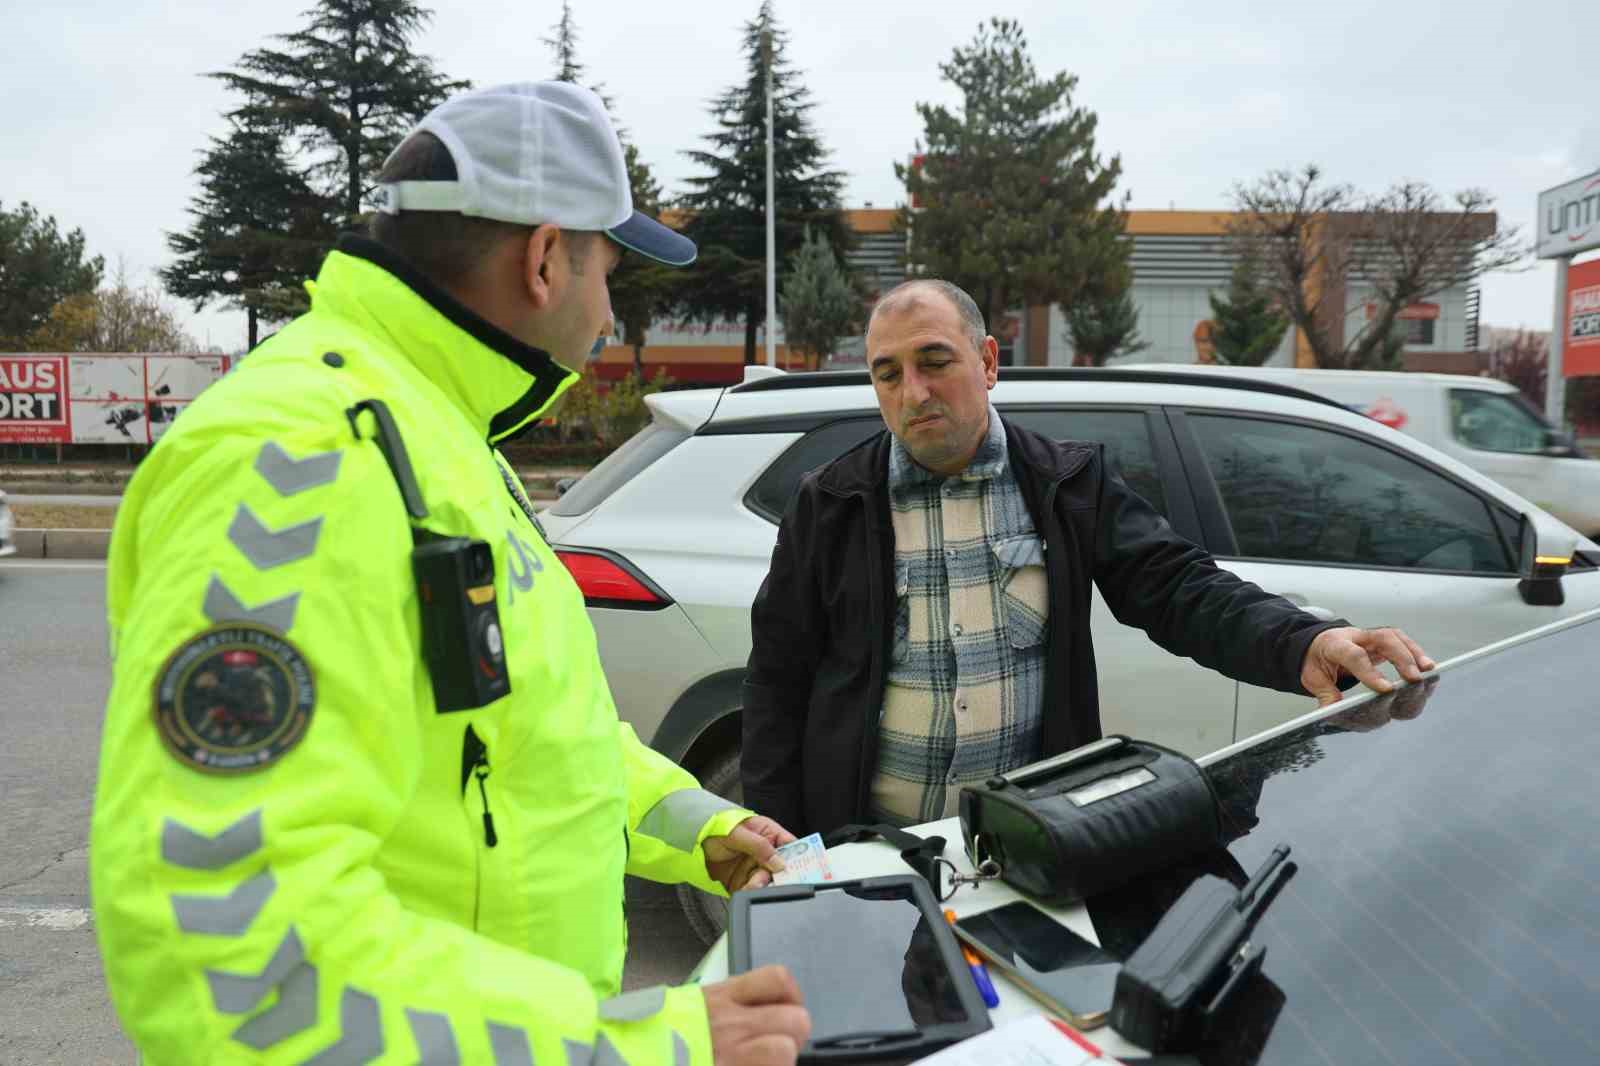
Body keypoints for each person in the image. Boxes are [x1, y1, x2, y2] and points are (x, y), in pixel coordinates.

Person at [91, 82, 810, 1066]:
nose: (610, 314)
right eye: (612, 272)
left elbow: (535, 741)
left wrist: (702, 827)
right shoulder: (303, 455)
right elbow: (231, 944)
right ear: (547, 258)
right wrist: (641, 1052)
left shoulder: (437, 440)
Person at [741, 279, 1434, 836]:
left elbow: (1176, 585)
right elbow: (776, 682)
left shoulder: (1065, 486)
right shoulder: (829, 505)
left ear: (986, 361)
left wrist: (1302, 641)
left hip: (1025, 842)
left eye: (934, 361)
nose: (912, 392)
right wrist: (785, 844)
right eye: (887, 374)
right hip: (871, 850)